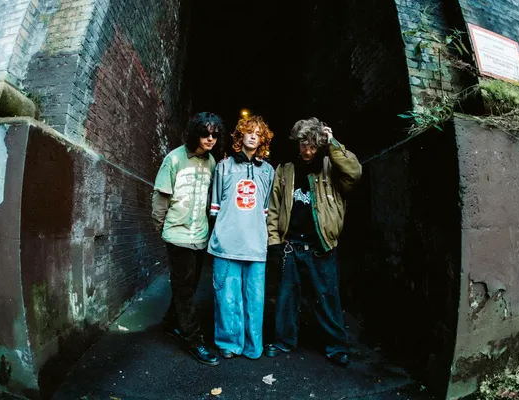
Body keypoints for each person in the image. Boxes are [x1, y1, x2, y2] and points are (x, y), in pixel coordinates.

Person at [265, 117, 362, 366]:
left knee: (327, 298)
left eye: (312, 146)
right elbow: (274, 207)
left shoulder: (332, 165)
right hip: (291, 245)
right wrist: (274, 241)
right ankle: (284, 341)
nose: (307, 151)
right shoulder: (285, 169)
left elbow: (355, 172)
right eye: (303, 145)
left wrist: (332, 143)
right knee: (286, 298)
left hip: (321, 245)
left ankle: (336, 346)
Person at [151, 111, 225, 366]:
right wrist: (164, 230)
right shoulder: (174, 158)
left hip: (199, 235)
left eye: (215, 135)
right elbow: (160, 199)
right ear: (195, 133)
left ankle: (170, 322)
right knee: (184, 290)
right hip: (178, 235)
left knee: (189, 286)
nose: (210, 139)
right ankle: (194, 340)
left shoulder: (211, 162)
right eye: (205, 133)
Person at [207, 115, 275, 360]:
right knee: (227, 297)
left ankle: (253, 345)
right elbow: (215, 206)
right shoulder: (224, 166)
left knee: (254, 298)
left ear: (263, 140)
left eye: (258, 133)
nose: (253, 136)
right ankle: (229, 343)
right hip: (226, 243)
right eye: (249, 131)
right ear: (240, 135)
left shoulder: (268, 171)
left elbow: (267, 209)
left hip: (256, 244)